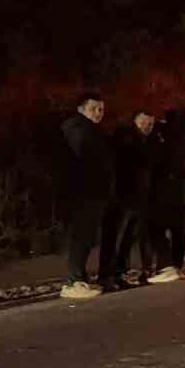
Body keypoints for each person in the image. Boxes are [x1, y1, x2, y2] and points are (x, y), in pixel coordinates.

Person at [59, 91, 114, 300]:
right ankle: (73, 281)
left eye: (101, 109)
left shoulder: (90, 130)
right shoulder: (79, 129)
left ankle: (78, 278)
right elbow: (81, 163)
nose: (98, 113)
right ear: (81, 109)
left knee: (86, 237)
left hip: (92, 193)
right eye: (94, 108)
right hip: (84, 193)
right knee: (81, 237)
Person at [99, 111, 157, 289]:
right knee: (119, 238)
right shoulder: (128, 140)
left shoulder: (140, 140)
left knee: (126, 238)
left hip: (135, 196)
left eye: (151, 124)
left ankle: (117, 273)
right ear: (135, 121)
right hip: (125, 197)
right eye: (144, 123)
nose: (148, 127)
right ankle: (110, 275)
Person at [145, 108, 185, 283]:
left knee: (157, 227)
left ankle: (167, 266)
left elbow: (170, 163)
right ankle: (176, 265)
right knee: (179, 231)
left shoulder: (177, 138)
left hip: (172, 193)